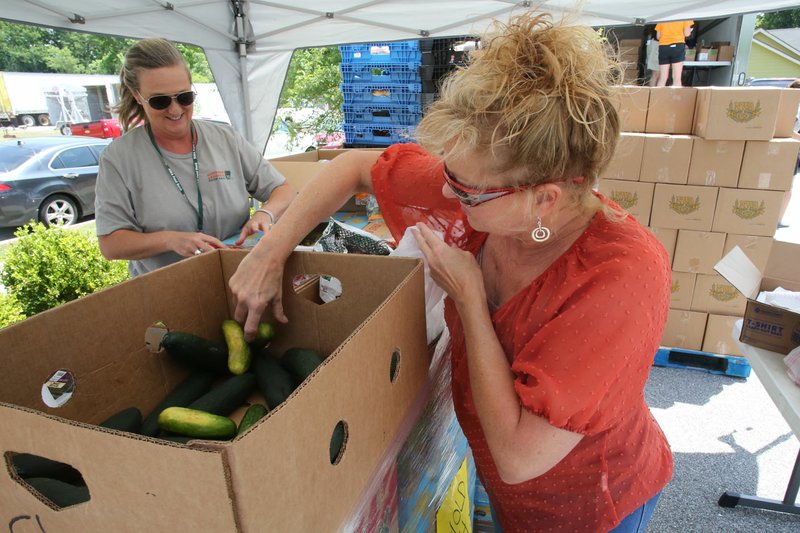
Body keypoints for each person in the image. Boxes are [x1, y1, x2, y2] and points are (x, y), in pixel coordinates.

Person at [229, 12, 673, 532]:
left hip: (592, 506)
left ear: (545, 199)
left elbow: (520, 456)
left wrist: (468, 298)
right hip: (512, 500)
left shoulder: (620, 277)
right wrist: (266, 253)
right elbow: (351, 167)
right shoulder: (491, 186)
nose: (446, 195)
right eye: (449, 175)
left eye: (466, 190)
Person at [95, 37, 295, 276]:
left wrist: (265, 212)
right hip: (171, 288)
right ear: (137, 95)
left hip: (239, 275)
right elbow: (110, 243)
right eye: (160, 101)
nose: (175, 110)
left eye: (184, 97)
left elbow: (282, 190)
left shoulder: (224, 138)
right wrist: (171, 240)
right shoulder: (119, 159)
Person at [655, 20, 694, 87]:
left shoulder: (663, 18)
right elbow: (687, 34)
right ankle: (675, 97)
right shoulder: (685, 17)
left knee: (663, 78)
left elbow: (658, 36)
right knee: (676, 78)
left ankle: (658, 96)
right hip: (678, 46)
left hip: (663, 47)